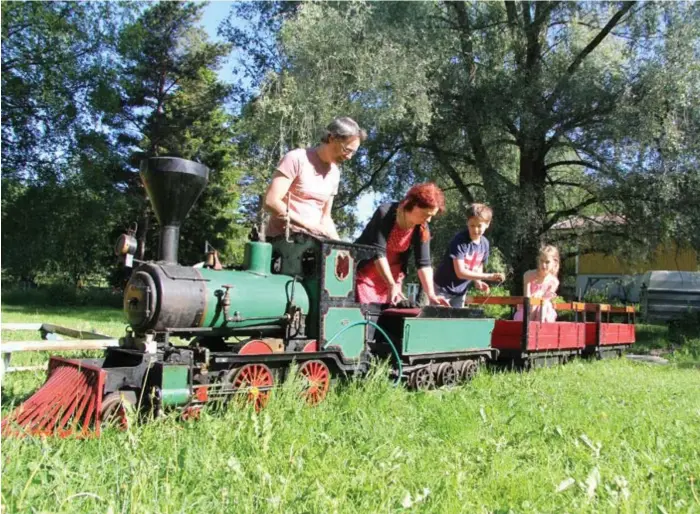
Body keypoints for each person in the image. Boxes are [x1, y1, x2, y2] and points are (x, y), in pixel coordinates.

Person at [264, 117, 367, 240]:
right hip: (281, 243)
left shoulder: (335, 173)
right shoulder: (296, 158)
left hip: (312, 246)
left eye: (353, 153)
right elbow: (270, 201)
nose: (349, 157)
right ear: (331, 138)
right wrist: (308, 226)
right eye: (347, 150)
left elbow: (326, 217)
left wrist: (340, 247)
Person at [354, 183, 450, 306]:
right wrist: (391, 285)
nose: (429, 220)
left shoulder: (422, 227)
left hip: (393, 278)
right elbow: (378, 253)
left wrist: (431, 295)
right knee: (367, 317)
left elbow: (424, 264)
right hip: (367, 276)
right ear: (414, 205)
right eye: (427, 214)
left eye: (432, 216)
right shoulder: (384, 213)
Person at [433, 203, 506, 308]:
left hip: (460, 291)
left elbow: (478, 265)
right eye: (472, 225)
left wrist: (478, 281)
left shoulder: (485, 243)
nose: (475, 230)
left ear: (488, 224)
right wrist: (489, 276)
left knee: (457, 322)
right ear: (467, 223)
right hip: (442, 289)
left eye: (479, 226)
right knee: (439, 321)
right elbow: (460, 272)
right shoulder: (459, 241)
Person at [514, 245, 560, 322]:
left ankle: (539, 330)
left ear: (554, 263)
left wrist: (543, 299)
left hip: (542, 310)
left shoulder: (554, 282)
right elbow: (527, 299)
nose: (543, 265)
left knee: (544, 307)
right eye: (541, 261)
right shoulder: (528, 275)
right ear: (538, 260)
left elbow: (545, 301)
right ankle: (528, 329)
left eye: (547, 262)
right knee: (528, 309)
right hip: (529, 308)